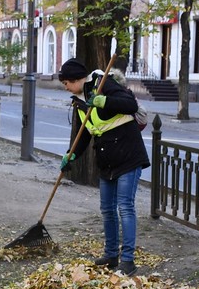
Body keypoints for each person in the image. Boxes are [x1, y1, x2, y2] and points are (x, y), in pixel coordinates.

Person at [57, 57, 150, 276]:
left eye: (66, 82)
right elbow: (84, 133)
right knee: (107, 209)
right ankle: (111, 255)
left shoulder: (103, 83)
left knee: (125, 207)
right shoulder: (79, 100)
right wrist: (71, 155)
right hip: (107, 160)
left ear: (77, 79)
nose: (65, 86)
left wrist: (104, 101)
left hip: (128, 155)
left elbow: (130, 104)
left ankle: (128, 261)